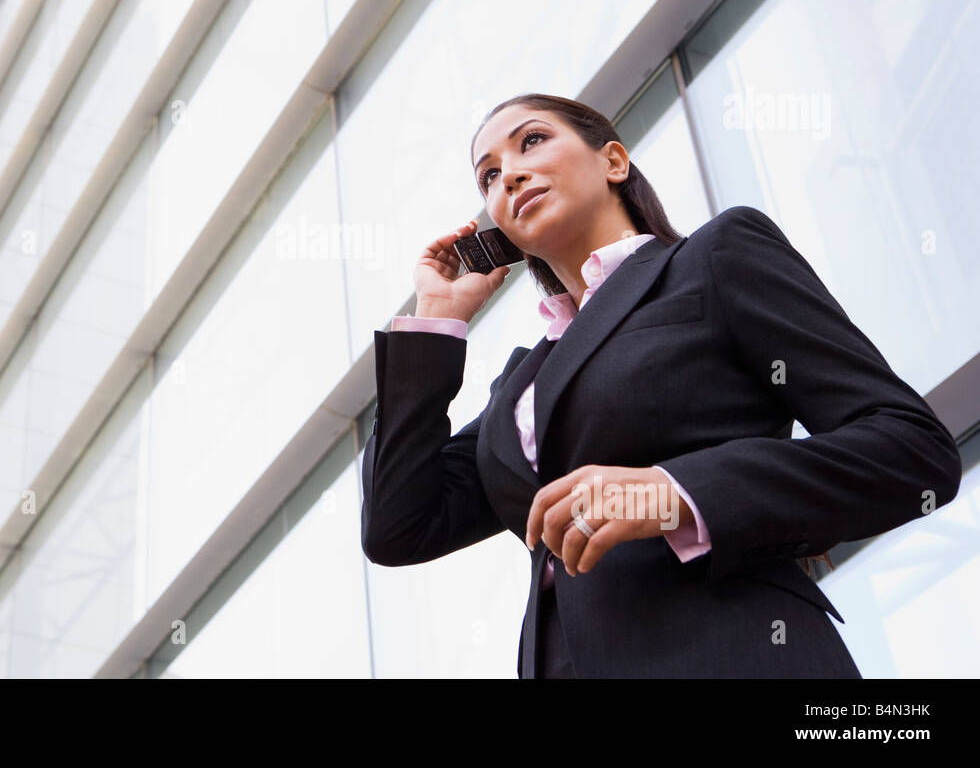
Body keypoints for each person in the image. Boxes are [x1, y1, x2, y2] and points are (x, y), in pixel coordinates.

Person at [359, 92, 962, 678]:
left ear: (613, 162)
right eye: (487, 176)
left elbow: (912, 453)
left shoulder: (713, 260)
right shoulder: (520, 386)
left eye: (532, 142)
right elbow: (398, 525)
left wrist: (671, 493)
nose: (508, 177)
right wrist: (436, 319)